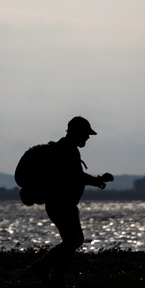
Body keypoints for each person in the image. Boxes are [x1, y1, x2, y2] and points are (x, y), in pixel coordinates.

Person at [41, 115, 113, 279]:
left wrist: (97, 180)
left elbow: (75, 176)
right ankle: (45, 268)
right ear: (76, 132)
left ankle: (52, 274)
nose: (88, 137)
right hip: (61, 203)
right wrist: (98, 180)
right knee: (74, 240)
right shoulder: (66, 150)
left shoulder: (67, 148)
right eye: (85, 133)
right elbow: (75, 176)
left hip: (61, 203)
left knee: (72, 240)